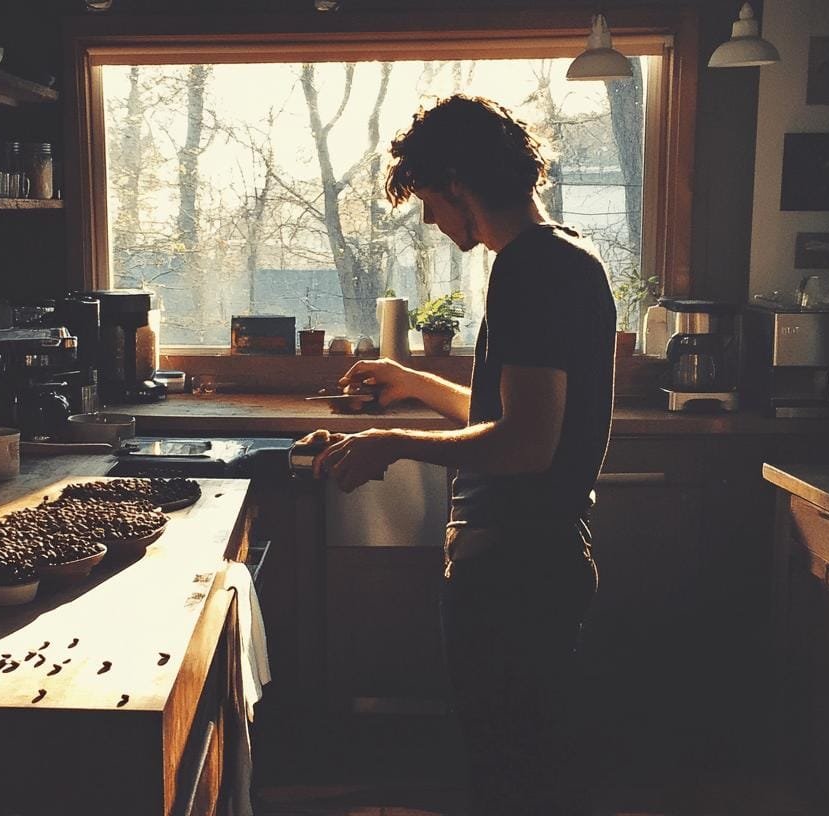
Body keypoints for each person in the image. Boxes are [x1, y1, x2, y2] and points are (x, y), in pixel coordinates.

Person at [301, 94, 614, 814]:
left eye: (428, 203)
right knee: (522, 765)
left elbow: (526, 445)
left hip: (513, 573)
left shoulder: (528, 268)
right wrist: (413, 383)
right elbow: (511, 417)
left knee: (509, 777)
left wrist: (390, 443)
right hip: (539, 561)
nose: (432, 222)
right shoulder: (565, 254)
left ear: (455, 185)